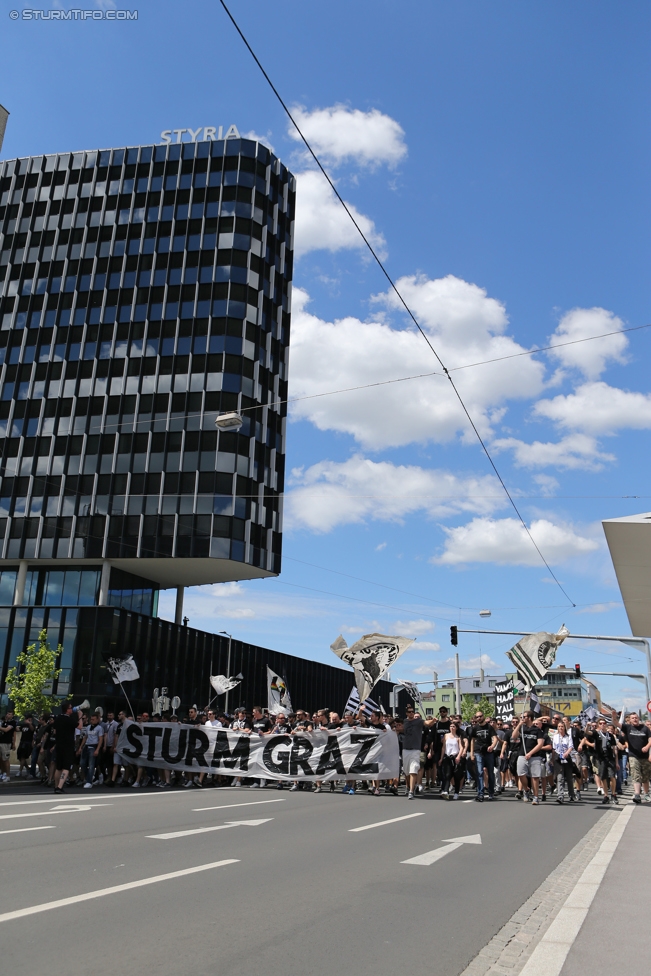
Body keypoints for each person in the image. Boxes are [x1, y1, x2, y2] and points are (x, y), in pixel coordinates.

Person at [617, 711, 651, 804]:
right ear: (630, 720)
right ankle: (637, 794)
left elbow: (650, 739)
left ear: (638, 718)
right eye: (633, 718)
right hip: (633, 756)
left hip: (644, 756)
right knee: (636, 775)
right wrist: (613, 717)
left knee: (645, 777)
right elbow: (617, 724)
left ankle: (647, 794)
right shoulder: (628, 728)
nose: (635, 719)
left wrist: (647, 747)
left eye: (636, 717)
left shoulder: (645, 728)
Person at [514, 711, 546, 805]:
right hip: (522, 754)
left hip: (534, 756)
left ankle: (535, 797)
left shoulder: (537, 730)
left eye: (524, 717)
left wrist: (530, 753)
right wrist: (519, 725)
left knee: (535, 777)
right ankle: (526, 789)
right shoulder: (522, 728)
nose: (522, 718)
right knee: (520, 774)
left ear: (529, 718)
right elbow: (514, 736)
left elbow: (540, 744)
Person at [584, 718, 619, 805]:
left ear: (606, 725)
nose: (603, 724)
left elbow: (615, 749)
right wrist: (588, 726)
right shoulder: (596, 734)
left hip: (610, 758)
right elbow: (587, 732)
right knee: (603, 777)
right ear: (598, 725)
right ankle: (606, 796)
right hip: (600, 758)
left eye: (604, 723)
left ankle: (613, 794)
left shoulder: (610, 736)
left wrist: (617, 761)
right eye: (601, 723)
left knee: (612, 776)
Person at [53, 702, 82, 793]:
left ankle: (56, 785)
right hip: (68, 746)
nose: (72, 709)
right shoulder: (69, 719)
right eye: (70, 708)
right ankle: (60, 787)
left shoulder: (57, 718)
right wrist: (80, 716)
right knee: (66, 767)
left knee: (58, 767)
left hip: (59, 745)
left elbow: (55, 731)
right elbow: (80, 727)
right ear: (67, 710)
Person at [469, 709, 498, 802]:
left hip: (488, 752)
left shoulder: (489, 727)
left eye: (480, 716)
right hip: (478, 752)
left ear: (483, 716)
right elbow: (472, 741)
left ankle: (491, 793)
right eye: (477, 717)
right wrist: (472, 753)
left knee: (490, 773)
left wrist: (492, 746)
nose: (479, 718)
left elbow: (495, 738)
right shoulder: (475, 728)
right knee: (480, 773)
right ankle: (480, 793)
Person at [402, 704, 424, 799]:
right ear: (406, 713)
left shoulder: (418, 721)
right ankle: (409, 786)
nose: (411, 713)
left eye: (412, 712)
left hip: (415, 750)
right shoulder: (405, 721)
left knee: (413, 770)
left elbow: (427, 723)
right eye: (409, 712)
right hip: (406, 749)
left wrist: (433, 721)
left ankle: (411, 791)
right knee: (406, 772)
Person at [440, 721, 467, 799]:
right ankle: (446, 791)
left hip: (455, 757)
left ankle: (456, 792)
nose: (452, 728)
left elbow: (461, 748)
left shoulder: (458, 737)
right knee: (447, 775)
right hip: (447, 757)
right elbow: (443, 747)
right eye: (451, 726)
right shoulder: (446, 736)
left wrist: (458, 757)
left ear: (456, 728)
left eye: (453, 726)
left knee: (456, 776)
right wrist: (441, 758)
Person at [551, 720, 576, 802]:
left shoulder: (568, 737)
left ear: (564, 728)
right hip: (558, 758)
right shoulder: (555, 737)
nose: (560, 728)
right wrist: (552, 758)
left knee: (569, 777)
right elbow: (554, 748)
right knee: (559, 777)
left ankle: (571, 795)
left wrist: (567, 753)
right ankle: (560, 795)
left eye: (562, 726)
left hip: (567, 758)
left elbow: (571, 746)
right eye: (559, 727)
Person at [0, 709, 17, 782]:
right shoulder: (4, 722)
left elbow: (6, 730)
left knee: (5, 759)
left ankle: (8, 775)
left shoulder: (12, 723)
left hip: (6, 743)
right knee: (1, 759)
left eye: (10, 714)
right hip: (1, 741)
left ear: (12, 715)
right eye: (7, 713)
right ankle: (2, 772)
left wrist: (13, 743)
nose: (8, 715)